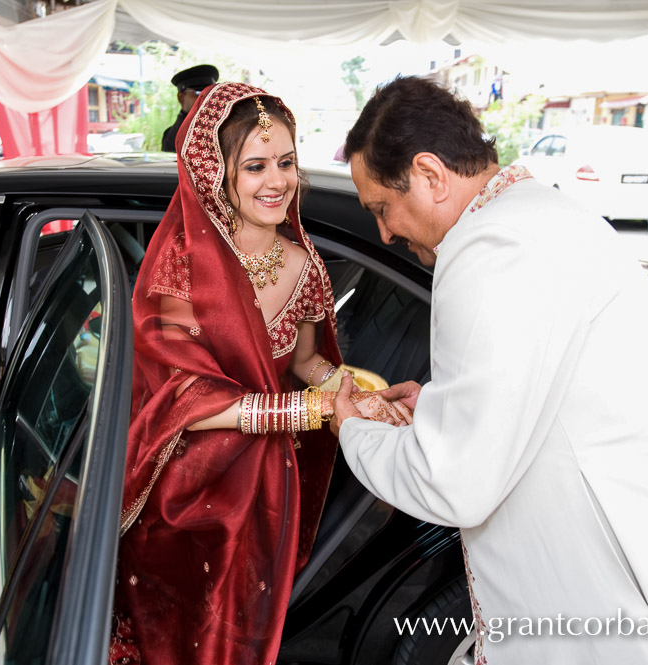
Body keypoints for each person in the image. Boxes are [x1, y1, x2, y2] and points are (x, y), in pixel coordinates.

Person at [330, 76, 648, 664]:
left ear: (430, 174)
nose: (384, 232)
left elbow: (454, 482)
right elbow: (541, 393)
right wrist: (437, 408)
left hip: (619, 616)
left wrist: (354, 429)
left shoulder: (488, 248)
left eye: (382, 208)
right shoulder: (538, 215)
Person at [110, 82, 409, 665]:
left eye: (287, 162)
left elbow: (304, 362)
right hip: (186, 487)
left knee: (242, 634)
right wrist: (317, 410)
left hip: (266, 482)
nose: (277, 182)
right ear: (216, 172)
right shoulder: (183, 268)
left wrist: (353, 394)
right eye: (255, 166)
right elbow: (185, 398)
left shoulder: (303, 263)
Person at [159, 64, 219, 152]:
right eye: (198, 93)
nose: (207, 98)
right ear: (181, 98)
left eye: (211, 92)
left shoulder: (224, 127)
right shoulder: (175, 135)